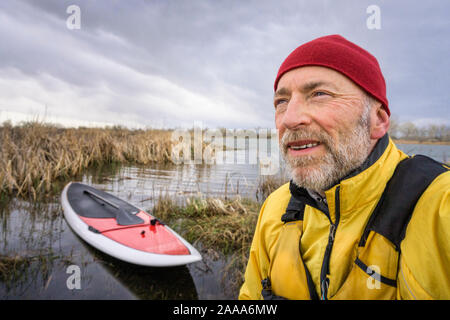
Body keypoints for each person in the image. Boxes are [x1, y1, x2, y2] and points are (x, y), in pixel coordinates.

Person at [239, 35, 450, 300]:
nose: (289, 119)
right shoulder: (276, 208)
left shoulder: (439, 206)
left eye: (319, 94)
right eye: (281, 102)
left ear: (378, 121)